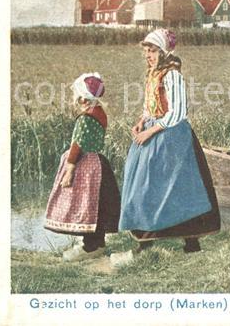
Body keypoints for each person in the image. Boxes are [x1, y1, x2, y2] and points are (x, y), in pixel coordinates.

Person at [111, 29, 220, 266]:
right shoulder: (153, 73)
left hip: (173, 139)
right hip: (155, 131)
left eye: (152, 51)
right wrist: (142, 120)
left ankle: (177, 244)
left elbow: (178, 113)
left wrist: (151, 130)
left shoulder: (172, 76)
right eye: (146, 51)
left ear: (162, 52)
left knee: (175, 189)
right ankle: (153, 242)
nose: (147, 55)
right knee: (151, 187)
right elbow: (151, 104)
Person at [44, 73, 120, 261]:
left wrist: (69, 170)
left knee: (87, 203)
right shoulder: (99, 112)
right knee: (96, 203)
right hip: (98, 163)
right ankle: (96, 242)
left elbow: (77, 145)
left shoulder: (85, 118)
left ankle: (91, 246)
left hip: (85, 166)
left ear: (82, 98)